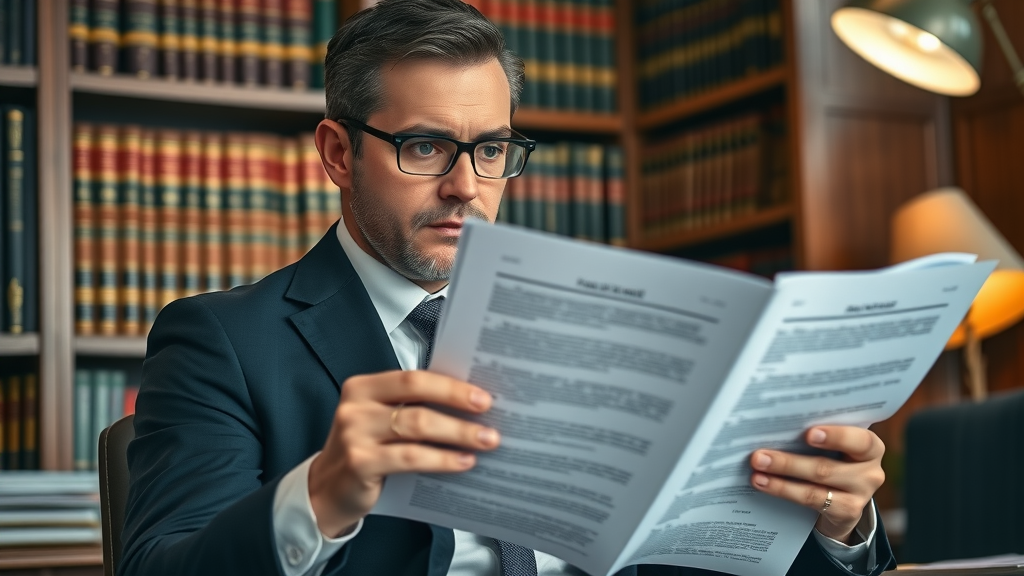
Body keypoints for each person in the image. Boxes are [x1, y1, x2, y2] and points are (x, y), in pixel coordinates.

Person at [120, 1, 897, 575]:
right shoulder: (222, 340)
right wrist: (318, 495)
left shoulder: (604, 323)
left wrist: (840, 525)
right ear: (337, 152)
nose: (467, 187)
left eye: (490, 149)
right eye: (425, 146)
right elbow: (161, 565)